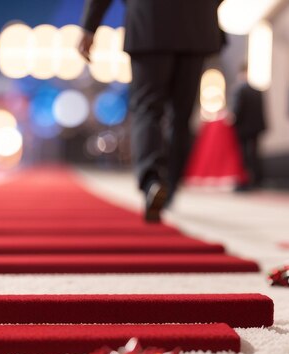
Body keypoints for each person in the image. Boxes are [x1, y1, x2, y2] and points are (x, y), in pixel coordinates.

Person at [78, 0, 225, 222]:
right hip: (196, 25)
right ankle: (172, 187)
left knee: (147, 108)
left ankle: (152, 181)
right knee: (182, 115)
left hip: (149, 21)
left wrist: (90, 26)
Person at [231, 63, 267, 191]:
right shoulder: (257, 91)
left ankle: (244, 181)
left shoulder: (240, 90)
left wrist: (233, 121)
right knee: (254, 154)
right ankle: (257, 180)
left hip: (243, 128)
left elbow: (237, 110)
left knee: (244, 155)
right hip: (256, 128)